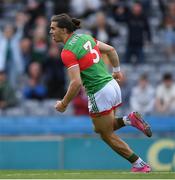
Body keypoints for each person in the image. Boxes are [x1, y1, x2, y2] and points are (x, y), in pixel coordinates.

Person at [50, 13, 152, 172]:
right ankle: (128, 120)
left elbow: (76, 82)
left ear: (63, 29)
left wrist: (63, 104)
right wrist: (117, 70)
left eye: (53, 28)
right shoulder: (86, 37)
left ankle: (139, 164)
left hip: (99, 91)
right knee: (102, 128)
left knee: (106, 135)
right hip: (112, 85)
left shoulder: (67, 52)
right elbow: (111, 49)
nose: (51, 32)